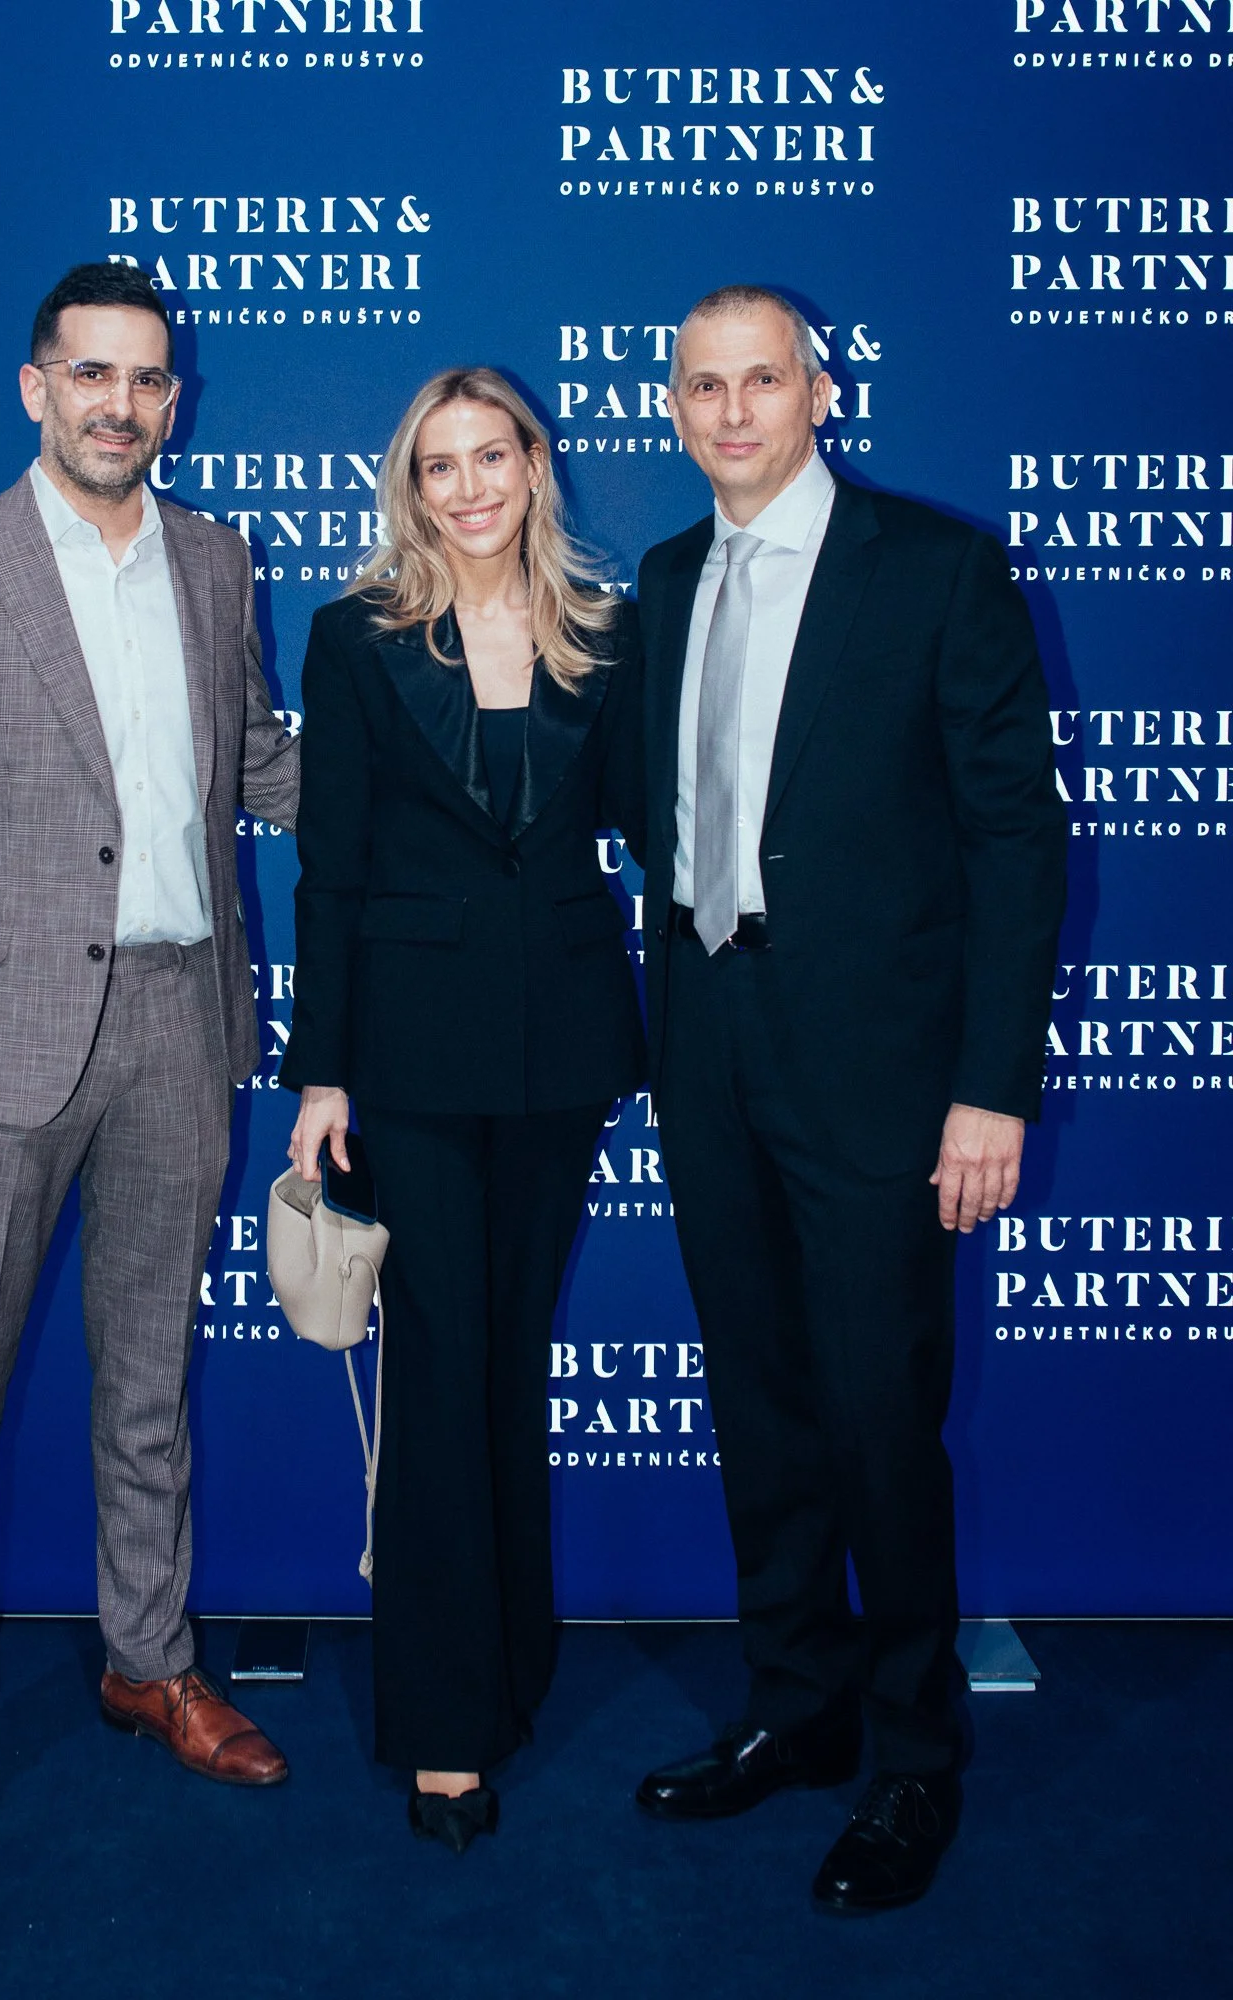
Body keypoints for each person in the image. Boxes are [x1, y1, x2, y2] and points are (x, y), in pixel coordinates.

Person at [0, 262, 300, 1874]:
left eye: (150, 379)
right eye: (91, 374)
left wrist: (432, 753)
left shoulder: (216, 558)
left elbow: (255, 761)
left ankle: (147, 1662)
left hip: (184, 1021)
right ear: (36, 387)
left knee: (148, 1377)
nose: (122, 404)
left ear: (175, 400)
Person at [634, 287, 1065, 1911]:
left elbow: (1016, 844)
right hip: (710, 1044)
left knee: (883, 1421)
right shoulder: (668, 582)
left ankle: (913, 1761)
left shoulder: (936, 568)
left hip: (886, 1076)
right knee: (761, 1401)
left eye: (763, 381)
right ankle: (796, 1712)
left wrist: (987, 1090)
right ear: (673, 407)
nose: (733, 411)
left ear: (819, 392)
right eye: (704, 386)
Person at [282, 368, 645, 1852]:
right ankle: (443, 1723)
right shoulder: (357, 642)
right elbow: (332, 869)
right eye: (442, 466)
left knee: (508, 1353)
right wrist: (323, 1068)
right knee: (438, 1364)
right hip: (412, 1063)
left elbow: (671, 827)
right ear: (412, 487)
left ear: (534, 464)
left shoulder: (613, 636)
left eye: (493, 456)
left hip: (561, 1052)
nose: (472, 486)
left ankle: (514, 1654)